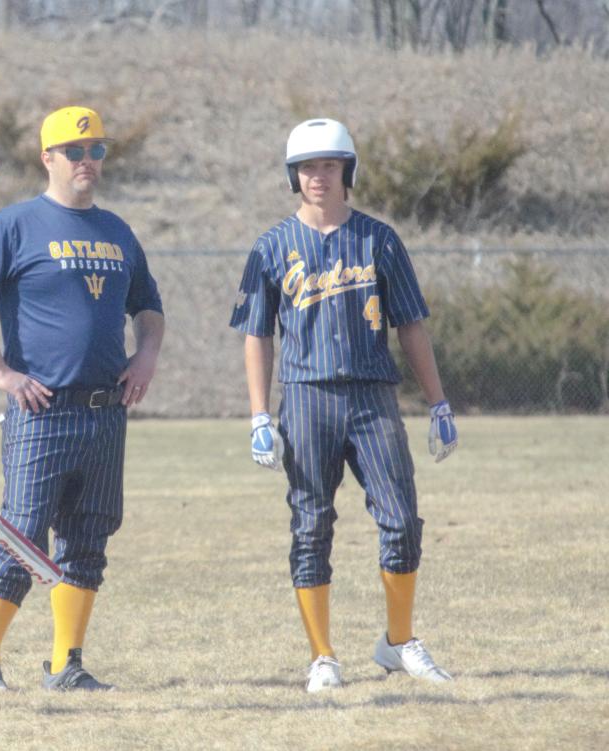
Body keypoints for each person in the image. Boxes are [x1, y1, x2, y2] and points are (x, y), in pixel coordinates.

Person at [229, 118, 458, 693]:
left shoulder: (379, 239)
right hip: (306, 397)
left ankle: (399, 641)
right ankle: (322, 655)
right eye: (307, 167)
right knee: (311, 526)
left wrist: (438, 403)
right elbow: (257, 334)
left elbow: (411, 323)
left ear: (346, 170)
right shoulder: (272, 246)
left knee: (402, 520)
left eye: (329, 165)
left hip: (373, 395)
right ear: (293, 175)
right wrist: (259, 413)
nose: (318, 176)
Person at [0, 106, 164, 695]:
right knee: (21, 533)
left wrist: (146, 353)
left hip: (105, 410)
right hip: (40, 409)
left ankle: (65, 663)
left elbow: (148, 307)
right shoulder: (14, 225)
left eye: (96, 150)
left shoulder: (118, 231)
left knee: (88, 535)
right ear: (46, 157)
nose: (87, 161)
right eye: (75, 151)